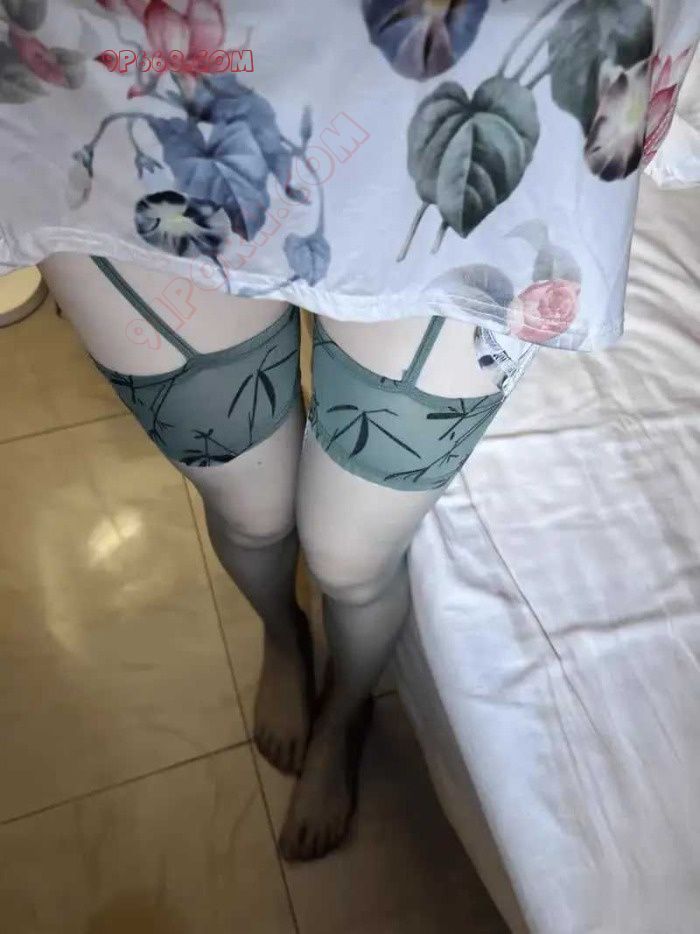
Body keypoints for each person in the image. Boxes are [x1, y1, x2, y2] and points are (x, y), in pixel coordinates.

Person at [2, 0, 698, 860]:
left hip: (485, 58)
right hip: (113, 73)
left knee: (350, 559)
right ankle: (283, 634)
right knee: (251, 511)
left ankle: (346, 710)